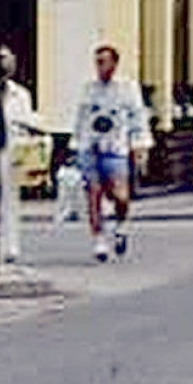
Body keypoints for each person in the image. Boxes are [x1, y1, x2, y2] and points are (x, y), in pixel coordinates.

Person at [73, 44, 148, 262]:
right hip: (91, 147)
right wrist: (76, 143)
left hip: (116, 148)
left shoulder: (126, 88)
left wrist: (140, 144)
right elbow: (81, 117)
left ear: (114, 63)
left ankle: (121, 226)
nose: (100, 67)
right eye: (97, 62)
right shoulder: (89, 88)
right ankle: (99, 240)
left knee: (121, 195)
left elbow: (137, 117)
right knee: (94, 193)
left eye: (104, 61)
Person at [0, 46, 39, 263]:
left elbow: (27, 120)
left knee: (9, 199)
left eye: (8, 58)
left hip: (11, 149)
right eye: (1, 58)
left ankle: (10, 246)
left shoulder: (21, 94)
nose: (6, 62)